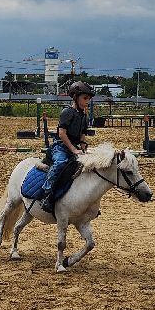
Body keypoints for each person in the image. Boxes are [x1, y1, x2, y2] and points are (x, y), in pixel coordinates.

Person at [40, 81, 96, 212]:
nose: (88, 101)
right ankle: (46, 193)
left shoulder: (84, 115)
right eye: (85, 98)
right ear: (76, 97)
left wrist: (82, 147)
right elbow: (62, 133)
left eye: (89, 98)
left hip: (75, 146)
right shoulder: (67, 112)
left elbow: (82, 134)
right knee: (60, 162)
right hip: (60, 146)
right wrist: (73, 150)